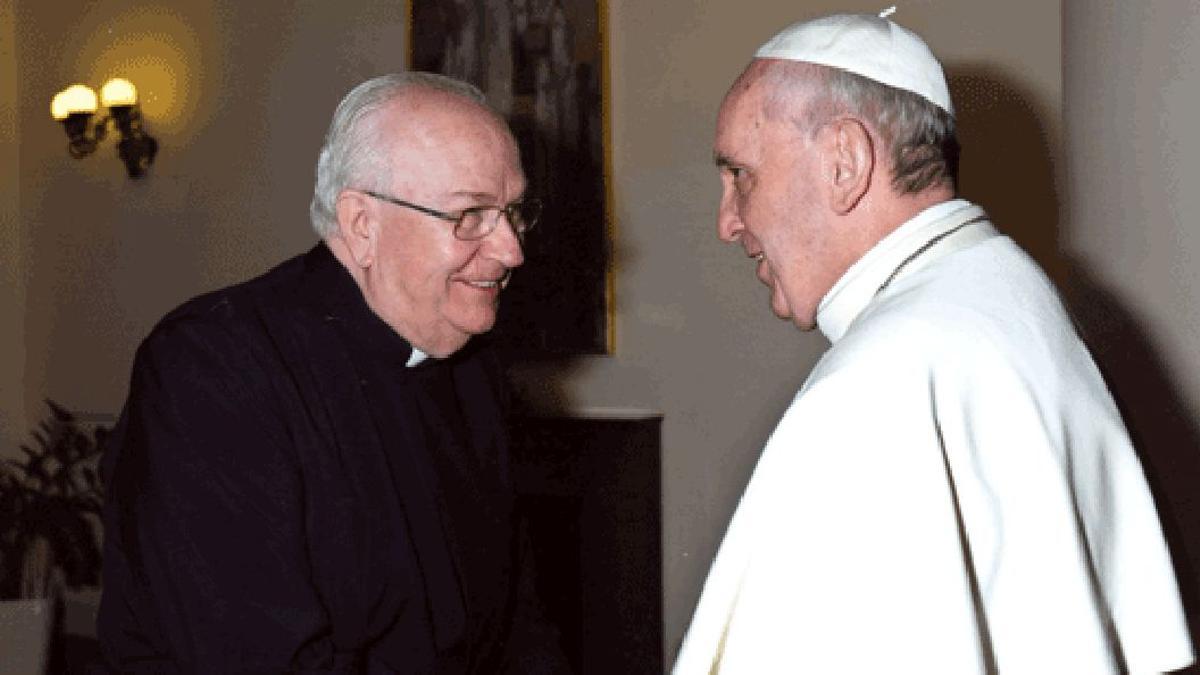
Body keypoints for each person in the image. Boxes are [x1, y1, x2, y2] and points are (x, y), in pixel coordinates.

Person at [674, 13, 1194, 674]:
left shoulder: (875, 385)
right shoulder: (1007, 291)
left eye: (740, 175)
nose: (727, 222)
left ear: (844, 162)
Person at [96, 73, 568, 673]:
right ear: (362, 225)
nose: (511, 250)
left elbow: (516, 624)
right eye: (470, 214)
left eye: (514, 212)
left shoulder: (470, 365)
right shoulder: (213, 368)